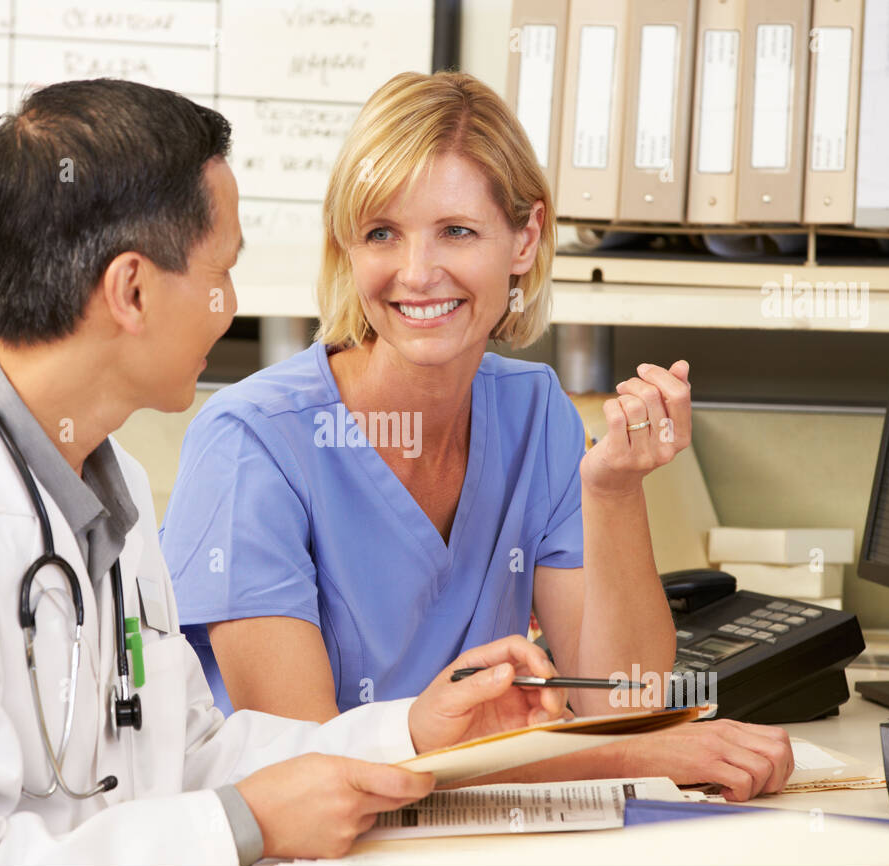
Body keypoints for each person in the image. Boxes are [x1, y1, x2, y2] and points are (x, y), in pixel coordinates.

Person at [0, 79, 569, 866]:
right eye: (220, 271)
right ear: (132, 290)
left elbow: (183, 750)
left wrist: (413, 731)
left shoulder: (108, 489)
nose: (233, 304)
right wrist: (240, 826)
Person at [159, 71, 793, 801]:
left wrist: (613, 490)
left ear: (524, 238)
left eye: (456, 231)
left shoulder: (535, 412)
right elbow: (313, 771)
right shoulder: (253, 442)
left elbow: (624, 704)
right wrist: (622, 759)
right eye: (381, 234)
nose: (417, 273)